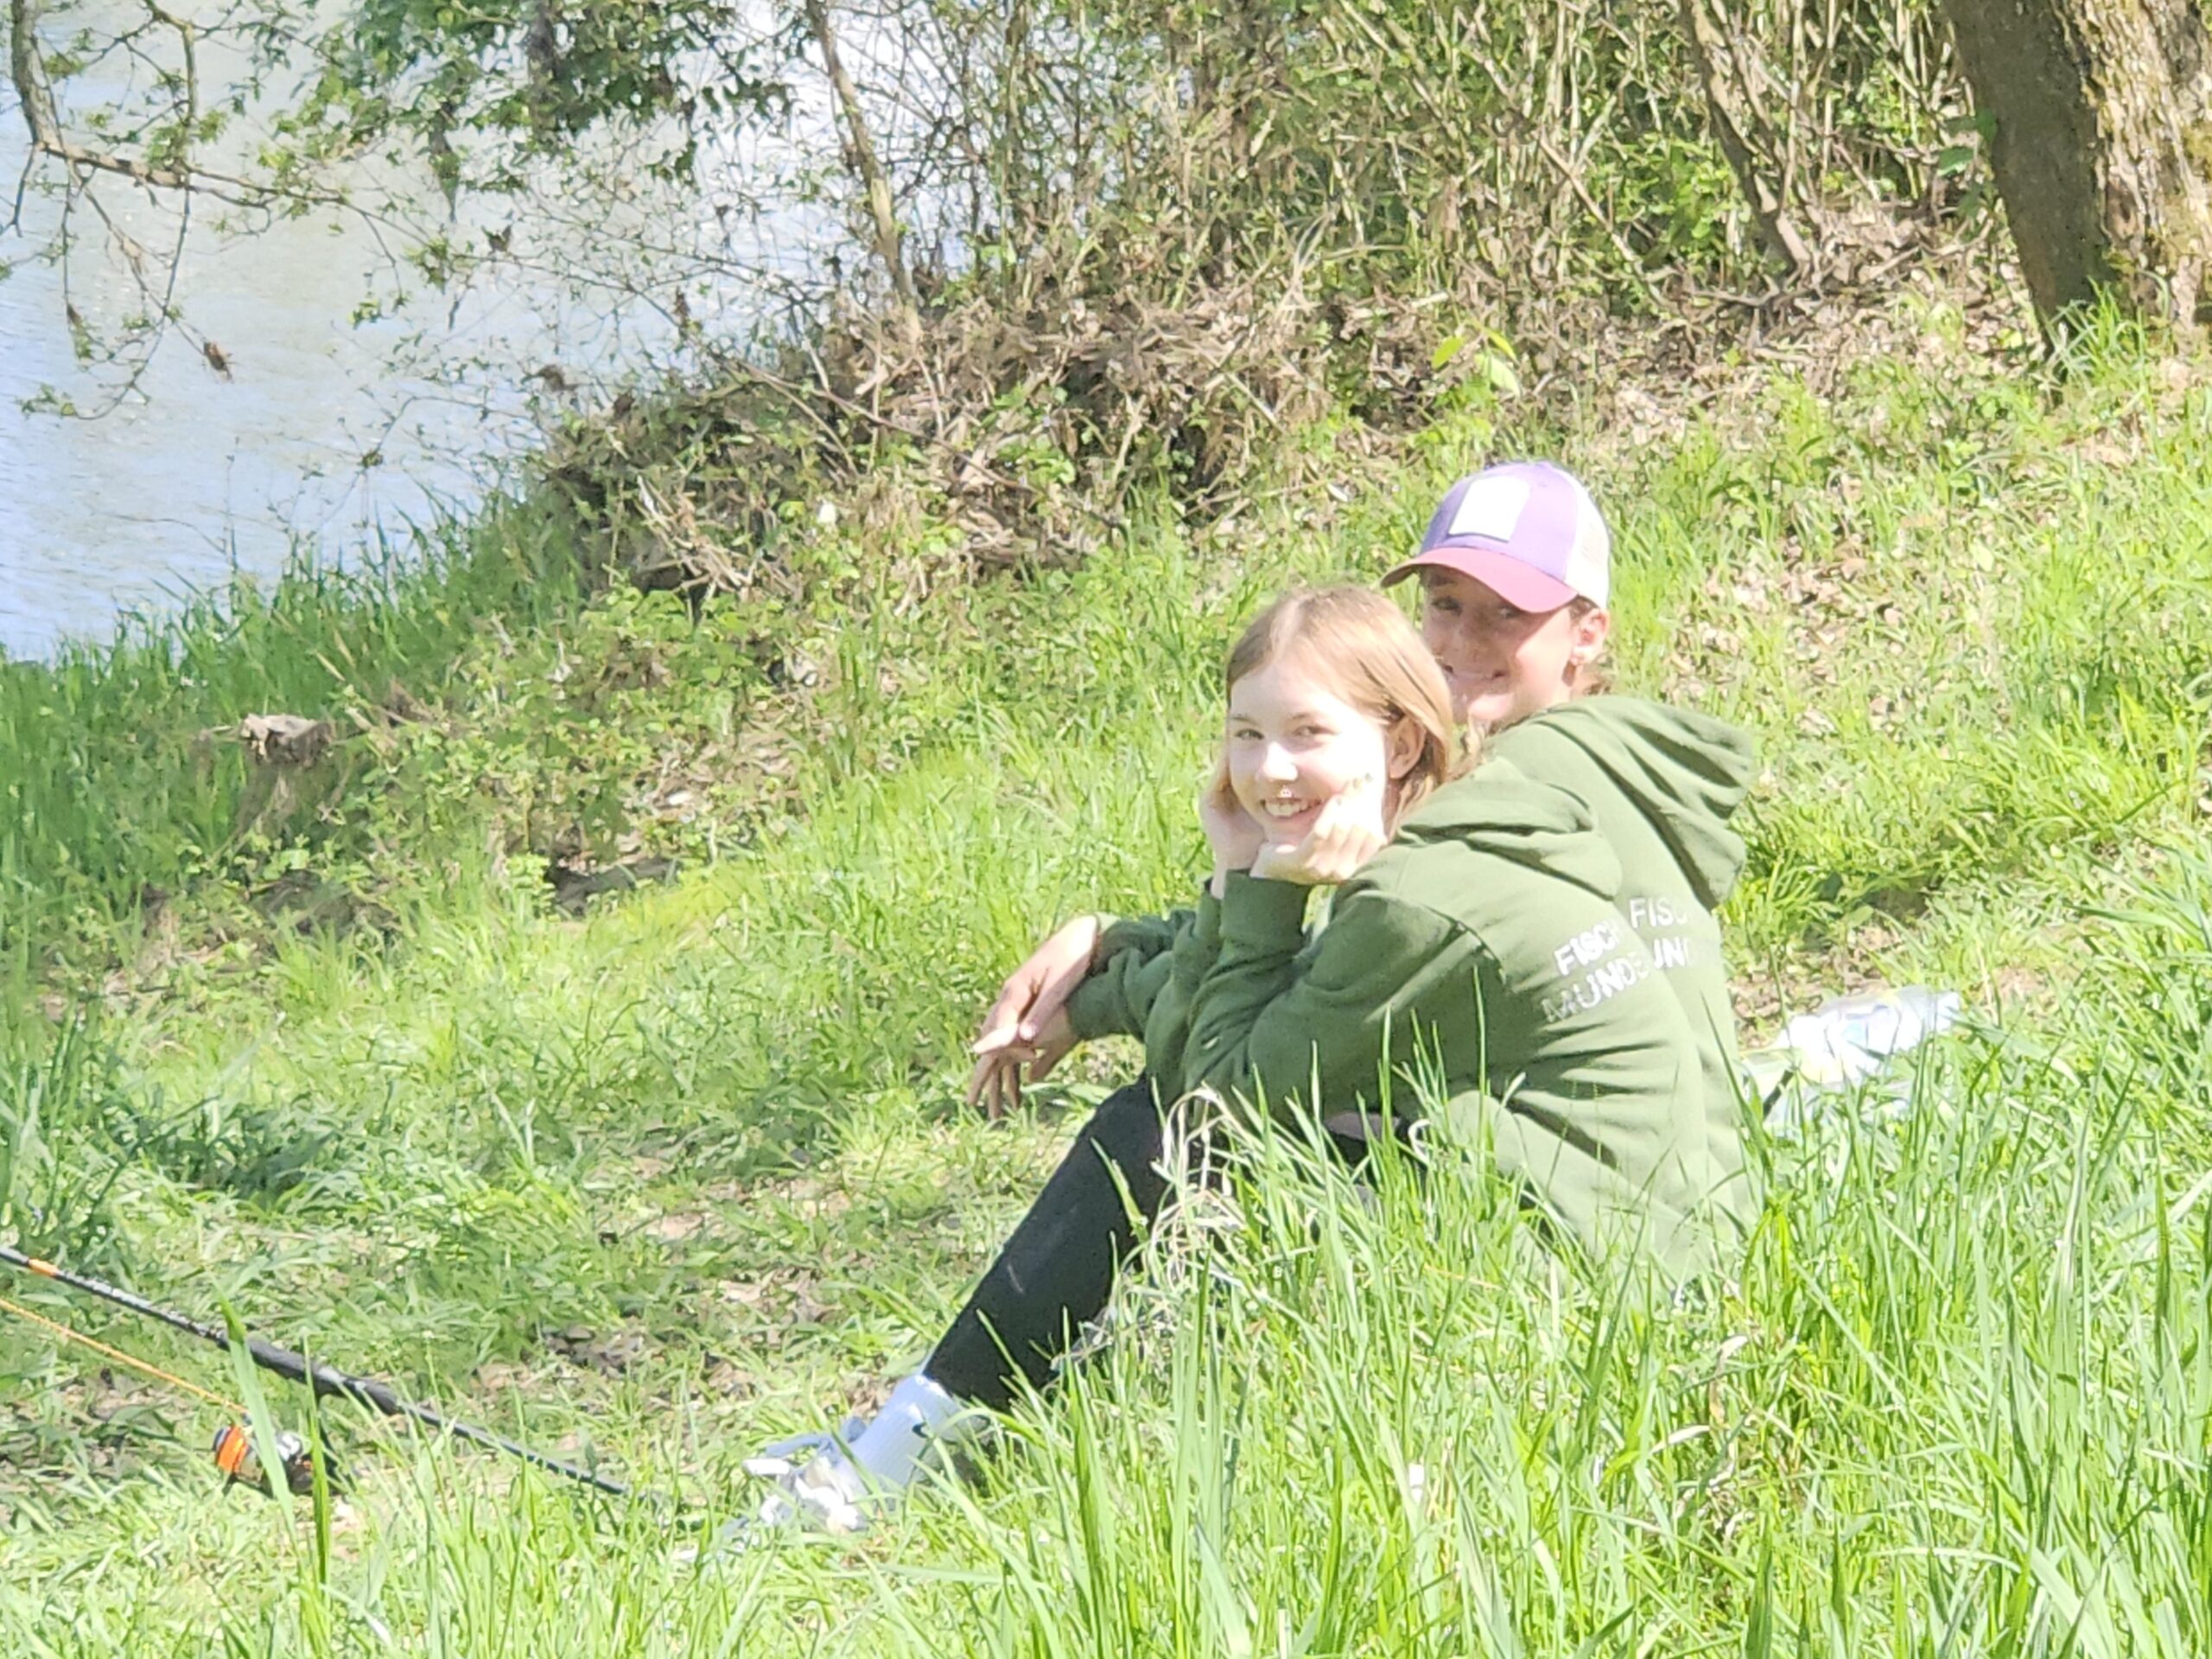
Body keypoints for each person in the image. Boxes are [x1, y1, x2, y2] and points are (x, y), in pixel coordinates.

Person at [747, 582, 1727, 1535]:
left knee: (1157, 1137)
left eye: (1308, 733)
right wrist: (1101, 973)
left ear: (1396, 743)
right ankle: (949, 1431)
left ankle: (909, 1454)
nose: (1269, 770)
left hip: (1598, 1279)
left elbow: (1213, 1098)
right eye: (1247, 733)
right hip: (1594, 1224)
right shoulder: (1439, 842)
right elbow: (1267, 1000)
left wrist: (1248, 884)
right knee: (1194, 1136)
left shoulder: (1413, 903)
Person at [972, 461, 1758, 1230]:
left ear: (1587, 633)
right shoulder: (1605, 760)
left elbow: (1279, 1022)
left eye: (1506, 613)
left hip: (1604, 1218)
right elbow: (1335, 971)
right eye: (1444, 604)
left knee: (1168, 1134)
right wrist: (1114, 947)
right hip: (1677, 1189)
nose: (1462, 639)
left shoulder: (1525, 785)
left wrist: (1115, 980)